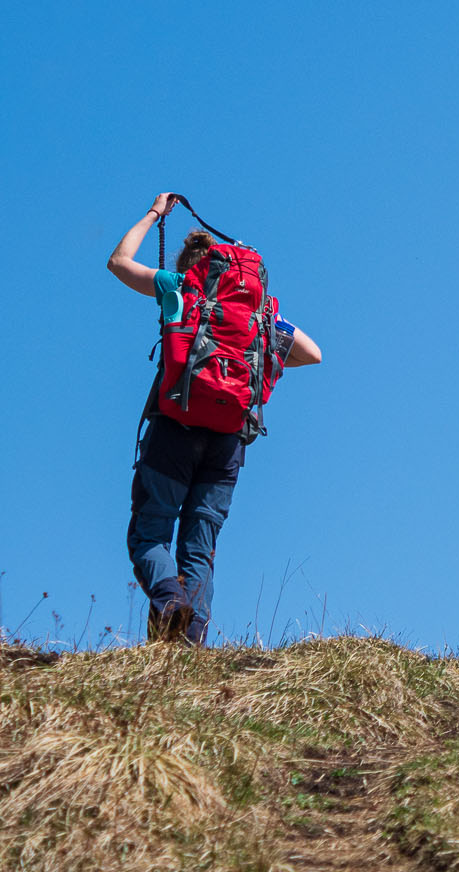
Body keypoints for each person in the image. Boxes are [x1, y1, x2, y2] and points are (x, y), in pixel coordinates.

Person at [106, 192, 322, 644]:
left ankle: (170, 603)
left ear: (192, 266)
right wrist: (264, 345)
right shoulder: (263, 318)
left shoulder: (178, 287)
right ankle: (189, 644)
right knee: (199, 549)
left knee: (149, 537)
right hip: (228, 440)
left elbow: (119, 262)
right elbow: (313, 354)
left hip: (175, 429)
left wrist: (154, 213)